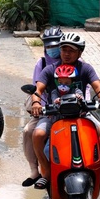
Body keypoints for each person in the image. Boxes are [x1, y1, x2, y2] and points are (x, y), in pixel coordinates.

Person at [29, 32, 100, 190]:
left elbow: (98, 86)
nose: (66, 54)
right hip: (54, 114)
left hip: (81, 113)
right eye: (64, 50)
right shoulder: (49, 69)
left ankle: (97, 163)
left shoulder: (86, 68)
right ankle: (46, 171)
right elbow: (38, 89)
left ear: (80, 52)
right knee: (37, 135)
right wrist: (36, 103)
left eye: (71, 50)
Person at [21, 26, 63, 187]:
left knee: (98, 129)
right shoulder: (43, 63)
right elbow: (36, 89)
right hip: (47, 109)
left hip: (74, 108)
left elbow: (86, 85)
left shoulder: (76, 62)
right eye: (49, 46)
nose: (52, 49)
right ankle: (35, 170)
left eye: (56, 45)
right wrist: (38, 104)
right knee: (29, 131)